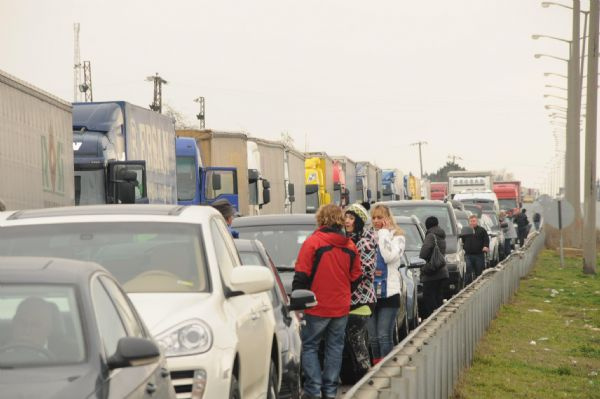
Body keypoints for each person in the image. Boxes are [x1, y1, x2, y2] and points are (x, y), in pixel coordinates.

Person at [293, 204, 363, 399]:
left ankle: (314, 390)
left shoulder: (313, 242)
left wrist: (298, 302)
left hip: (316, 306)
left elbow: (302, 274)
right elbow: (357, 276)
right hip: (340, 307)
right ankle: (330, 391)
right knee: (335, 347)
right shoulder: (349, 246)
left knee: (310, 346)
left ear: (321, 219)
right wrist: (346, 293)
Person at [340, 203, 377, 384]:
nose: (347, 220)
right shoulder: (344, 240)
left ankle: (366, 380)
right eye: (345, 217)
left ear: (359, 221)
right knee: (350, 345)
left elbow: (366, 272)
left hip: (361, 301)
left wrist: (344, 281)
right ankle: (355, 379)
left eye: (351, 218)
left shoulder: (365, 242)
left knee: (357, 343)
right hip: (345, 301)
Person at [368, 204, 405, 365]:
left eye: (380, 217)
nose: (376, 221)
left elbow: (389, 256)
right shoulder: (368, 237)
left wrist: (383, 234)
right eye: (374, 218)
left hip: (389, 293)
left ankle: (387, 370)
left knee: (383, 336)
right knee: (373, 338)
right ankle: (376, 371)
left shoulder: (398, 237)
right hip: (370, 293)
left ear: (388, 218)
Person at [419, 216, 449, 318]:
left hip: (431, 273)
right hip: (442, 271)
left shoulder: (430, 236)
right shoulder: (441, 235)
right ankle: (440, 318)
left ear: (427, 226)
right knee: (438, 297)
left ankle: (433, 318)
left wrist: (421, 260)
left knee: (429, 298)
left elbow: (424, 253)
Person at [461, 215, 489, 284]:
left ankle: (478, 285)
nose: (472, 223)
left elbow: (486, 240)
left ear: (477, 222)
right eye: (471, 221)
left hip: (478, 255)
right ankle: (467, 285)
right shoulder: (465, 230)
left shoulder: (482, 230)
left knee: (479, 272)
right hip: (468, 255)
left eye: (474, 221)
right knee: (468, 269)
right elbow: (462, 240)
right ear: (469, 222)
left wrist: (485, 246)